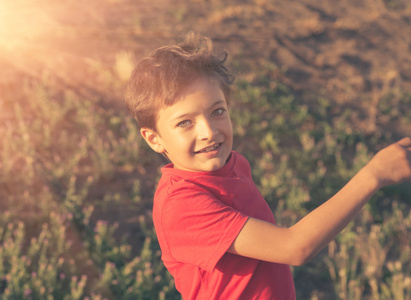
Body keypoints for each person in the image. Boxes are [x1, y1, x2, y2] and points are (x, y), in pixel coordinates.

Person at [125, 33, 411, 300]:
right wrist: (373, 176)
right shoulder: (181, 205)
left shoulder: (233, 165)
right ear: (154, 139)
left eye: (217, 111)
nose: (209, 131)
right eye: (185, 122)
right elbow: (295, 247)